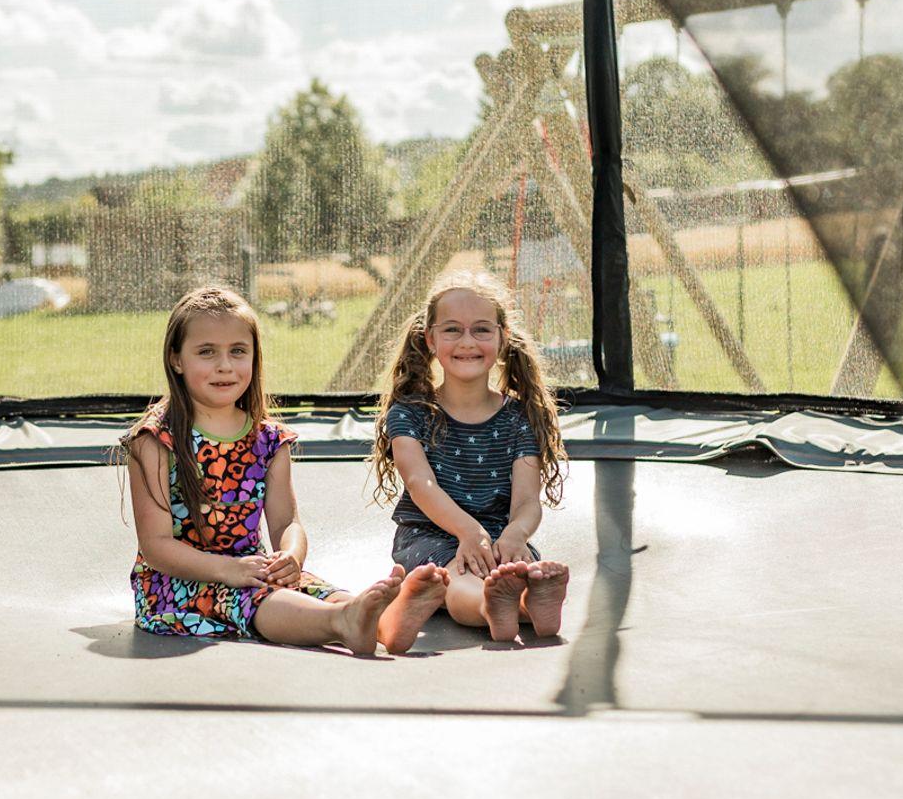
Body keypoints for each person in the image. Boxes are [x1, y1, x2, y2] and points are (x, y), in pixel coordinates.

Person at [123, 285, 442, 654]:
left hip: (250, 569)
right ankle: (341, 622)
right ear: (176, 359)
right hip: (173, 586)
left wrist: (291, 555)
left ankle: (385, 624)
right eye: (206, 352)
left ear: (254, 356)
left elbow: (287, 523)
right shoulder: (155, 440)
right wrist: (228, 570)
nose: (225, 365)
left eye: (238, 351)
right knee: (254, 598)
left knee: (310, 586)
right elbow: (157, 546)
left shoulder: (269, 439)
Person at [369, 271, 572, 650]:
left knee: (517, 574)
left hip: (499, 537)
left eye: (481, 330)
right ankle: (488, 607)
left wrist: (516, 534)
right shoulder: (410, 414)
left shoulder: (520, 418)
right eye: (452, 330)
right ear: (430, 339)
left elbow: (527, 501)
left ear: (502, 337)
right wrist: (467, 532)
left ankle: (529, 605)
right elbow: (420, 484)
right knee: (456, 579)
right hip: (429, 534)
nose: (467, 342)